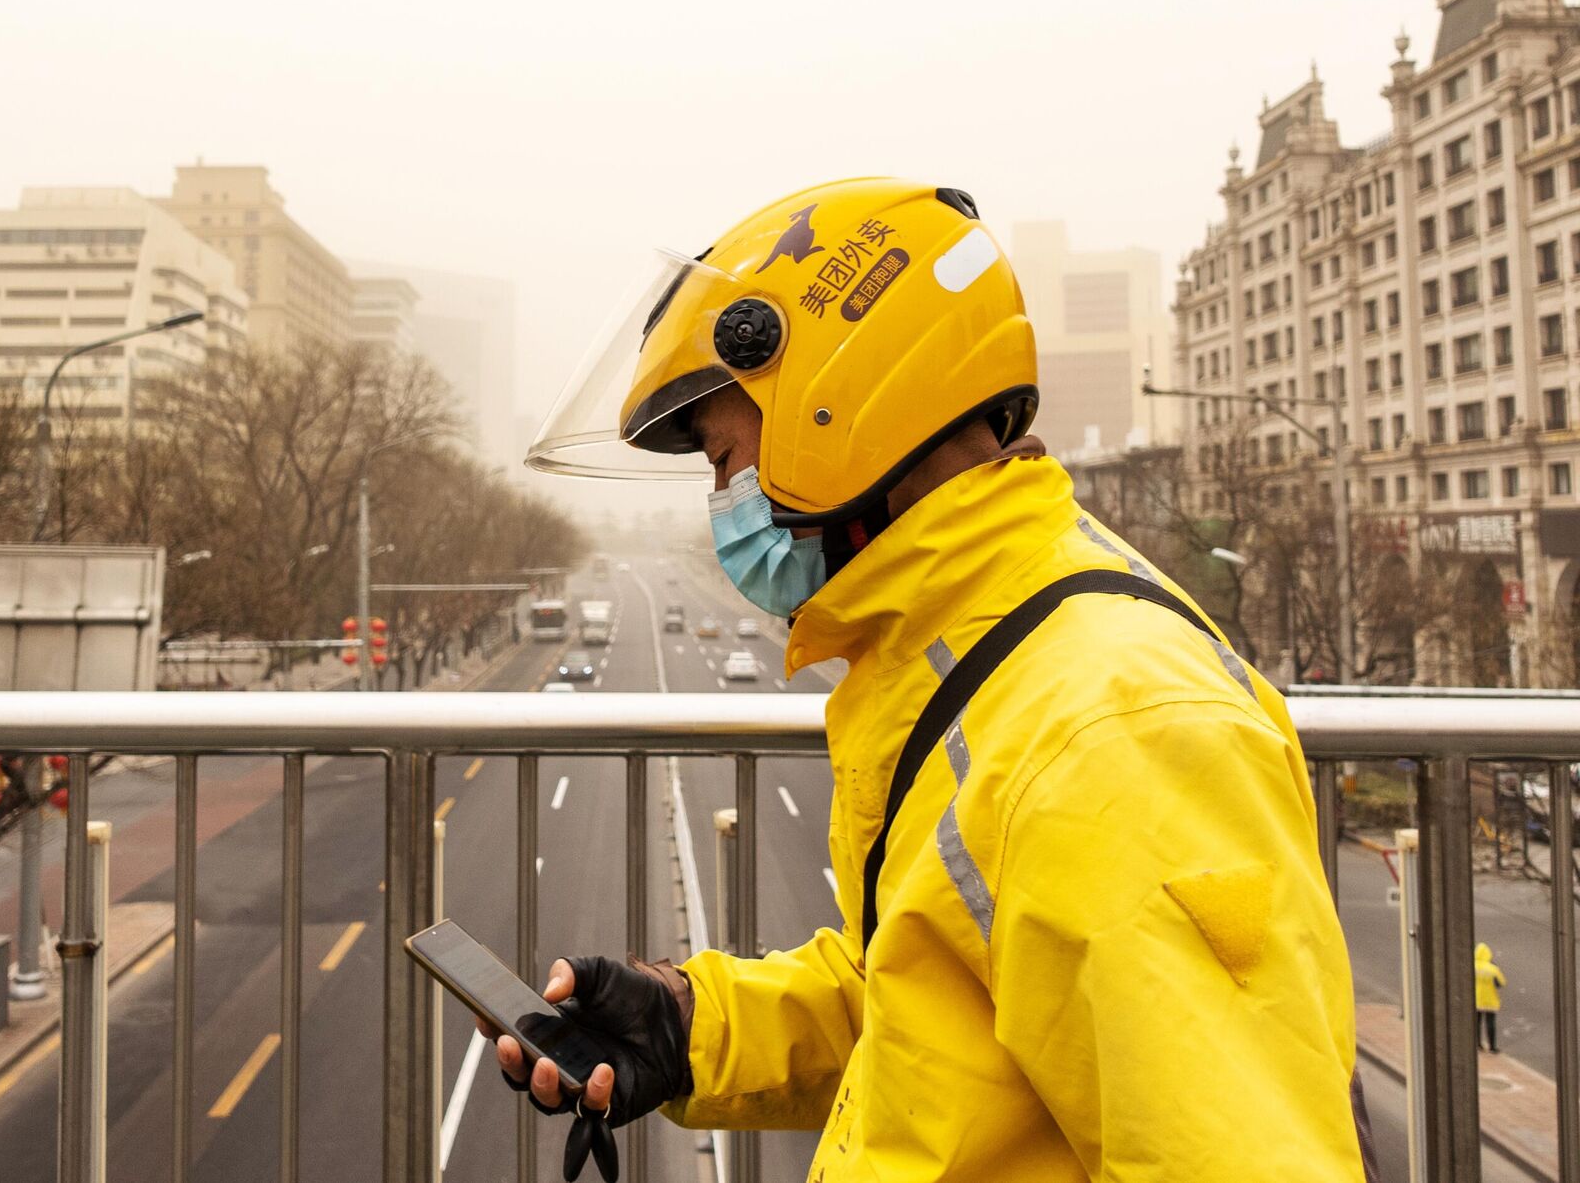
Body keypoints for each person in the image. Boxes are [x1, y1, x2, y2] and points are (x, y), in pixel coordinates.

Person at [497, 178, 1377, 1180]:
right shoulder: (971, 651)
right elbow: (940, 1015)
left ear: (839, 406)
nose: (723, 500)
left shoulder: (1110, 731)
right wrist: (691, 1027)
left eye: (722, 455)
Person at [1475, 942, 1507, 1053]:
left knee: (1476, 1022)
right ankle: (1492, 1046)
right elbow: (1501, 983)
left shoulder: (1472, 965)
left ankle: (1477, 1043)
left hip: (1476, 999)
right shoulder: (1493, 969)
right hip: (1490, 1000)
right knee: (1490, 1023)